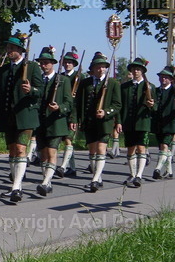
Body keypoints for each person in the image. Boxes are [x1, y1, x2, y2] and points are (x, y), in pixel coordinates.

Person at [0, 32, 42, 203]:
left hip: (25, 116)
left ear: (20, 50)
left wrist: (32, 90)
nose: (9, 50)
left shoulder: (32, 67)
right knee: (13, 150)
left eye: (12, 48)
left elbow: (41, 90)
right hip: (8, 117)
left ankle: (17, 187)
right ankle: (15, 184)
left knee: (21, 149)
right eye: (8, 47)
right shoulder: (4, 70)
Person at [75, 52, 121, 193]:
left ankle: (94, 179)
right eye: (98, 67)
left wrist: (106, 112)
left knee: (101, 149)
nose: (101, 69)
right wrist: (77, 120)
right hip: (89, 122)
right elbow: (79, 103)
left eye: (103, 67)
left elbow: (117, 104)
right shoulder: (85, 83)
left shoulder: (113, 83)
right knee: (92, 151)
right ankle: (98, 176)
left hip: (104, 122)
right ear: (93, 68)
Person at [33, 47, 72, 196]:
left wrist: (59, 107)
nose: (44, 65)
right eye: (42, 63)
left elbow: (69, 103)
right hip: (41, 122)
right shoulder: (38, 80)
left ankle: (44, 182)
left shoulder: (63, 80)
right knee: (42, 154)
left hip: (56, 123)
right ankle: (47, 181)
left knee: (51, 152)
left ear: (53, 63)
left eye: (46, 62)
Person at [117, 57, 155, 187]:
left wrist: (152, 105)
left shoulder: (149, 86)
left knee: (141, 148)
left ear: (142, 71)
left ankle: (139, 175)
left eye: (138, 69)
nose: (136, 71)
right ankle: (132, 174)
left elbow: (156, 107)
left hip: (142, 122)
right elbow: (120, 106)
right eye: (134, 69)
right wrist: (119, 122)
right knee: (130, 149)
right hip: (128, 122)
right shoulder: (124, 87)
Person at [151, 66, 175, 180]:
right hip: (158, 123)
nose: (163, 79)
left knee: (165, 145)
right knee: (163, 148)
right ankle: (169, 171)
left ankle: (157, 169)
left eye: (165, 77)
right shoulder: (156, 91)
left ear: (171, 79)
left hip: (170, 123)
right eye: (161, 77)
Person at [56, 47, 84, 178]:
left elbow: (78, 100)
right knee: (67, 142)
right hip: (61, 113)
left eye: (70, 62)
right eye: (66, 62)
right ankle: (72, 167)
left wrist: (75, 118)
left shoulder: (79, 78)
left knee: (68, 139)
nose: (67, 64)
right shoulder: (59, 77)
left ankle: (63, 166)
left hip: (73, 114)